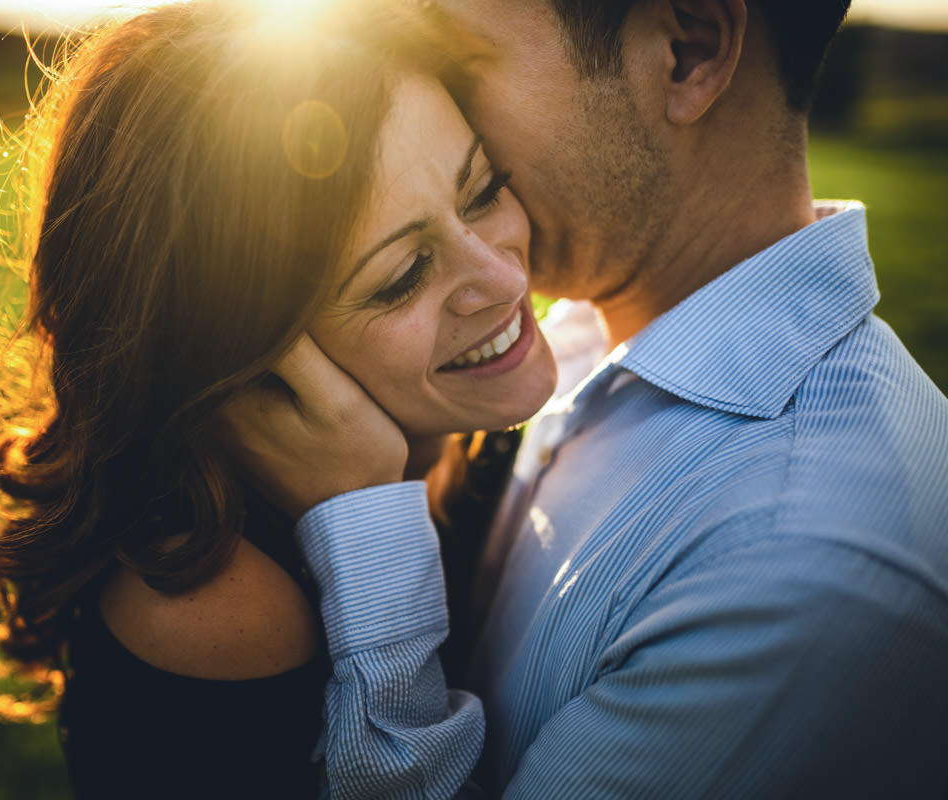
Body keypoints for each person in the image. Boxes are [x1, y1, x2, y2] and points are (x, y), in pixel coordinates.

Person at [224, 0, 948, 796]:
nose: (433, 99)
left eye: (459, 63)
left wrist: (362, 526)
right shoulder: (572, 337)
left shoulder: (798, 569)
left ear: (687, 50)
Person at [0, 0, 557, 797]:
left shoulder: (453, 439)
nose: (505, 279)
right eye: (402, 276)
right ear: (249, 352)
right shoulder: (218, 605)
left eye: (482, 190)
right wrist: (365, 519)